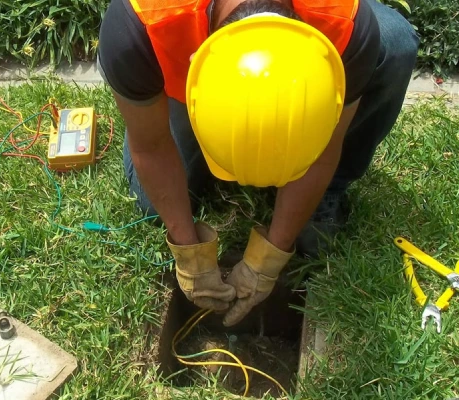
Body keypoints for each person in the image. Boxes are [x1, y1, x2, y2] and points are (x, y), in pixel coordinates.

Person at [97, 0, 419, 326]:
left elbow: (324, 149)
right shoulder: (138, 24)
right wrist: (189, 253)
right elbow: (151, 148)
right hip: (174, 69)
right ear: (196, 60)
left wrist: (271, 256)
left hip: (324, 59)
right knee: (152, 204)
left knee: (394, 41)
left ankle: (329, 191)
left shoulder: (345, 28)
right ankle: (173, 117)